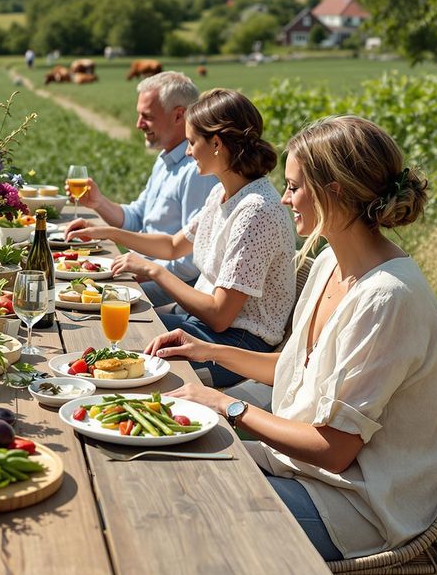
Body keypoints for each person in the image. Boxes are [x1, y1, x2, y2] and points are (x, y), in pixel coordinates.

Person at [146, 115, 437, 562]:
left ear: (335, 191)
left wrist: (226, 406)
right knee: (167, 460)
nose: (284, 198)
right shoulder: (331, 260)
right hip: (309, 474)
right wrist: (209, 351)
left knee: (189, 506)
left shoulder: (387, 299)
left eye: (294, 187)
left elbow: (333, 451)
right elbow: (297, 369)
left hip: (360, 503)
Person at [65, 88, 295, 386]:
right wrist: (107, 232)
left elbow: (220, 315)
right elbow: (174, 246)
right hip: (205, 330)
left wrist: (153, 270)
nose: (187, 152)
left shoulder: (256, 211)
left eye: (191, 142)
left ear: (216, 143)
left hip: (238, 346)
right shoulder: (222, 193)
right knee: (107, 332)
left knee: (124, 359)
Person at [71, 72, 217, 305]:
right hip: (146, 271)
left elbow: (190, 262)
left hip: (173, 288)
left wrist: (142, 272)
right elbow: (138, 218)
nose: (138, 124)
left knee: (93, 302)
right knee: (80, 287)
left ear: (179, 115)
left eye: (147, 116)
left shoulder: (197, 172)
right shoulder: (165, 158)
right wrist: (99, 203)